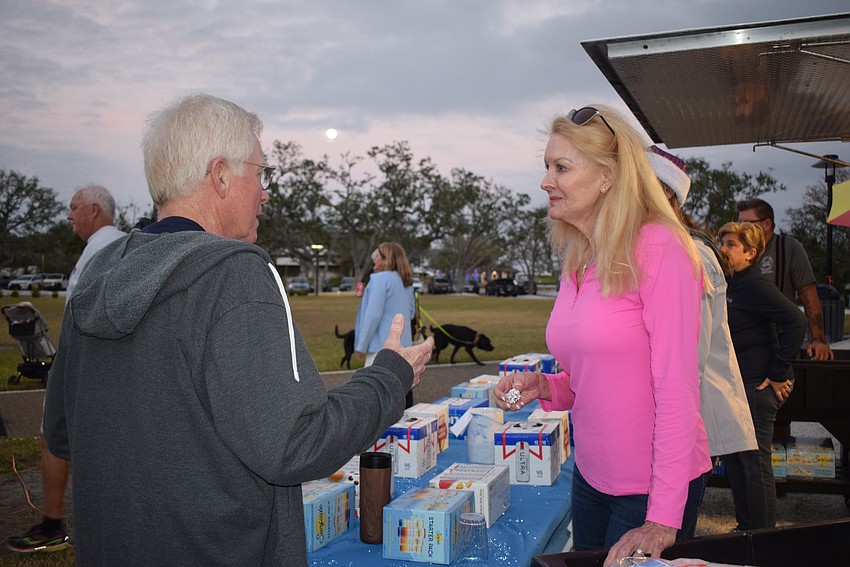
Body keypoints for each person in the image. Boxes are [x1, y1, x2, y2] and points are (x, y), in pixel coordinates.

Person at [42, 93, 433, 566]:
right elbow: (298, 443)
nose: (265, 192)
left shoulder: (100, 270)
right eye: (261, 173)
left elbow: (61, 433)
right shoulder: (234, 272)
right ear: (221, 175)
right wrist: (390, 376)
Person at [493, 106, 711, 566]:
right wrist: (546, 386)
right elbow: (599, 374)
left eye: (561, 167)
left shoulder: (660, 247)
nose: (546, 181)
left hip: (649, 490)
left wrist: (662, 519)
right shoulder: (580, 255)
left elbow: (677, 391)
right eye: (547, 167)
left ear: (609, 176)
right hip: (591, 477)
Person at [6, 184, 125, 554]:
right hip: (95, 365)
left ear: (94, 210)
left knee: (53, 435)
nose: (69, 215)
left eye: (74, 207)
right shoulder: (114, 244)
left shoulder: (103, 248)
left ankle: (54, 524)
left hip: (86, 366)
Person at [648, 146, 758, 466]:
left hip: (686, 427)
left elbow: (688, 363)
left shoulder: (687, 254)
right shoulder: (661, 247)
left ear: (667, 190)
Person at [717, 221, 807, 530]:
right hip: (739, 384)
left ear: (751, 253)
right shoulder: (733, 283)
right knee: (737, 460)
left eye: (731, 244)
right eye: (722, 243)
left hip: (758, 385)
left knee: (754, 463)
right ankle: (746, 531)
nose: (723, 249)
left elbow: (796, 322)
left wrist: (778, 372)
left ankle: (764, 538)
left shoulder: (755, 284)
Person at [736, 198, 832, 360]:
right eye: (738, 223)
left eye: (746, 223)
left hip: (779, 341)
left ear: (767, 224)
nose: (740, 228)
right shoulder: (736, 250)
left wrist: (818, 339)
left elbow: (808, 293)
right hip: (742, 342)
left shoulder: (788, 248)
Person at [355, 242, 417, 407]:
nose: (374, 259)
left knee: (375, 395)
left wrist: (361, 345)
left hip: (381, 347)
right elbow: (411, 313)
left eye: (377, 255)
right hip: (404, 346)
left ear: (385, 259)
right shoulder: (406, 282)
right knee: (403, 393)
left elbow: (372, 315)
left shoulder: (380, 280)